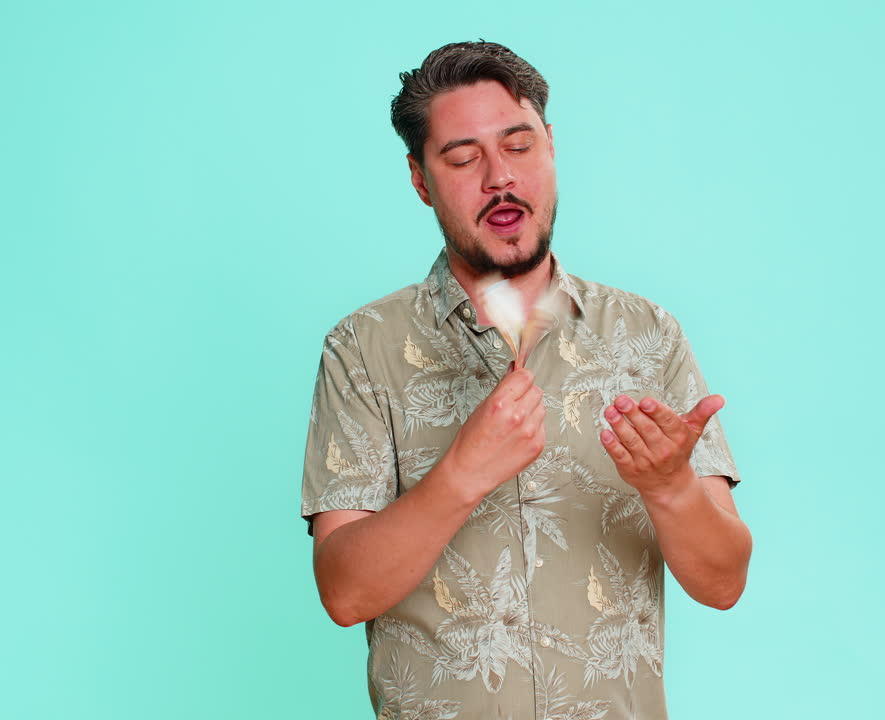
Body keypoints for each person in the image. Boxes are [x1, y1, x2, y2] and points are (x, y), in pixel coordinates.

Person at [301, 41, 752, 719]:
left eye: (519, 145)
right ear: (420, 179)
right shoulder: (363, 351)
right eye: (461, 158)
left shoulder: (647, 336)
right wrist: (460, 474)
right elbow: (344, 593)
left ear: (551, 147)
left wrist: (670, 487)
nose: (498, 178)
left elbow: (724, 583)